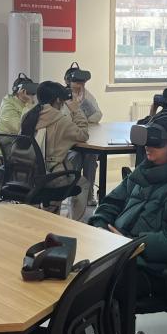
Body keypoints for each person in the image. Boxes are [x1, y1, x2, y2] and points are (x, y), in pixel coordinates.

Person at [89, 112, 167, 296]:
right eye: (146, 140)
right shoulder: (141, 173)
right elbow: (110, 204)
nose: (148, 146)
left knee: (87, 292)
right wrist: (100, 227)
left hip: (152, 270)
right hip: (118, 256)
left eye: (156, 142)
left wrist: (131, 245)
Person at [7, 81, 89, 208]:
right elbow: (83, 135)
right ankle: (62, 216)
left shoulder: (28, 115)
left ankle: (48, 209)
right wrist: (76, 110)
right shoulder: (61, 120)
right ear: (58, 100)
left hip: (24, 175)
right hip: (51, 178)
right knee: (83, 184)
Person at [65, 62, 102, 220]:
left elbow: (98, 115)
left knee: (90, 156)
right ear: (68, 81)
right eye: (77, 82)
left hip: (82, 140)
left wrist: (82, 106)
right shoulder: (62, 96)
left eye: (82, 82)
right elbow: (65, 120)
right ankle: (72, 191)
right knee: (75, 157)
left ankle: (88, 193)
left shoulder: (87, 96)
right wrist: (79, 114)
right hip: (67, 145)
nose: (80, 85)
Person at [0, 73, 37, 156]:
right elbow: (21, 129)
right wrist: (30, 103)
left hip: (20, 150)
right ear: (19, 91)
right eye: (28, 90)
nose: (31, 94)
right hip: (4, 154)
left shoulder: (25, 104)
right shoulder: (7, 106)